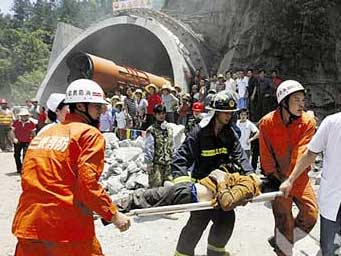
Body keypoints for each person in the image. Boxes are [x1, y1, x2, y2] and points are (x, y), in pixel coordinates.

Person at [12, 79, 130, 256]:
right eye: (97, 108)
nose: (100, 112)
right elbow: (87, 185)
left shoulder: (43, 135)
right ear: (81, 106)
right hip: (66, 231)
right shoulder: (88, 134)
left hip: (29, 225)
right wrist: (113, 215)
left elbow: (28, 177)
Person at [172, 91, 254, 256]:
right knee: (196, 225)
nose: (229, 116)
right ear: (215, 112)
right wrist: (184, 186)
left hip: (222, 187)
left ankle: (215, 253)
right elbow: (180, 158)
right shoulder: (199, 133)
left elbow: (240, 155)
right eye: (225, 112)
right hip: (203, 189)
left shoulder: (229, 133)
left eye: (231, 113)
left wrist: (251, 174)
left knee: (226, 220)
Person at [258, 80, 318, 256]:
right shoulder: (267, 123)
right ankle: (283, 248)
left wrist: (291, 179)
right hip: (278, 179)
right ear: (284, 102)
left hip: (299, 177)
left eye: (303, 100)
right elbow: (265, 154)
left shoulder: (308, 122)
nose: (301, 104)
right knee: (284, 221)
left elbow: (302, 152)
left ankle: (282, 241)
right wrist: (275, 177)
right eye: (296, 100)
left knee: (310, 215)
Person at [280, 111, 341, 255]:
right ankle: (282, 243)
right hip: (334, 197)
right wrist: (290, 180)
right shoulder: (332, 122)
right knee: (329, 248)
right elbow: (311, 153)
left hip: (331, 195)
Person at [115, 166, 261, 214]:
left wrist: (221, 179)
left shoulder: (249, 184)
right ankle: (105, 210)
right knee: (146, 197)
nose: (258, 173)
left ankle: (105, 209)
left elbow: (227, 202)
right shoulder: (247, 182)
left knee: (143, 197)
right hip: (188, 191)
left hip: (188, 193)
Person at [144, 104, 173, 187]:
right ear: (155, 115)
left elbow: (172, 145)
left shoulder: (169, 128)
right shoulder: (151, 130)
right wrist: (149, 163)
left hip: (168, 164)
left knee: (169, 189)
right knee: (156, 188)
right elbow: (148, 148)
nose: (161, 116)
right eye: (159, 114)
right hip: (156, 164)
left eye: (163, 113)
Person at [11, 108, 35, 174]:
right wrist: (14, 138)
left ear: (28, 116)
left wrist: (34, 140)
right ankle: (19, 168)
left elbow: (33, 133)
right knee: (16, 155)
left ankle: (24, 168)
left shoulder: (31, 123)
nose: (24, 117)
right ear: (20, 116)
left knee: (25, 155)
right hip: (18, 141)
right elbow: (12, 131)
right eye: (22, 115)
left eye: (25, 115)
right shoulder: (16, 122)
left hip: (27, 141)